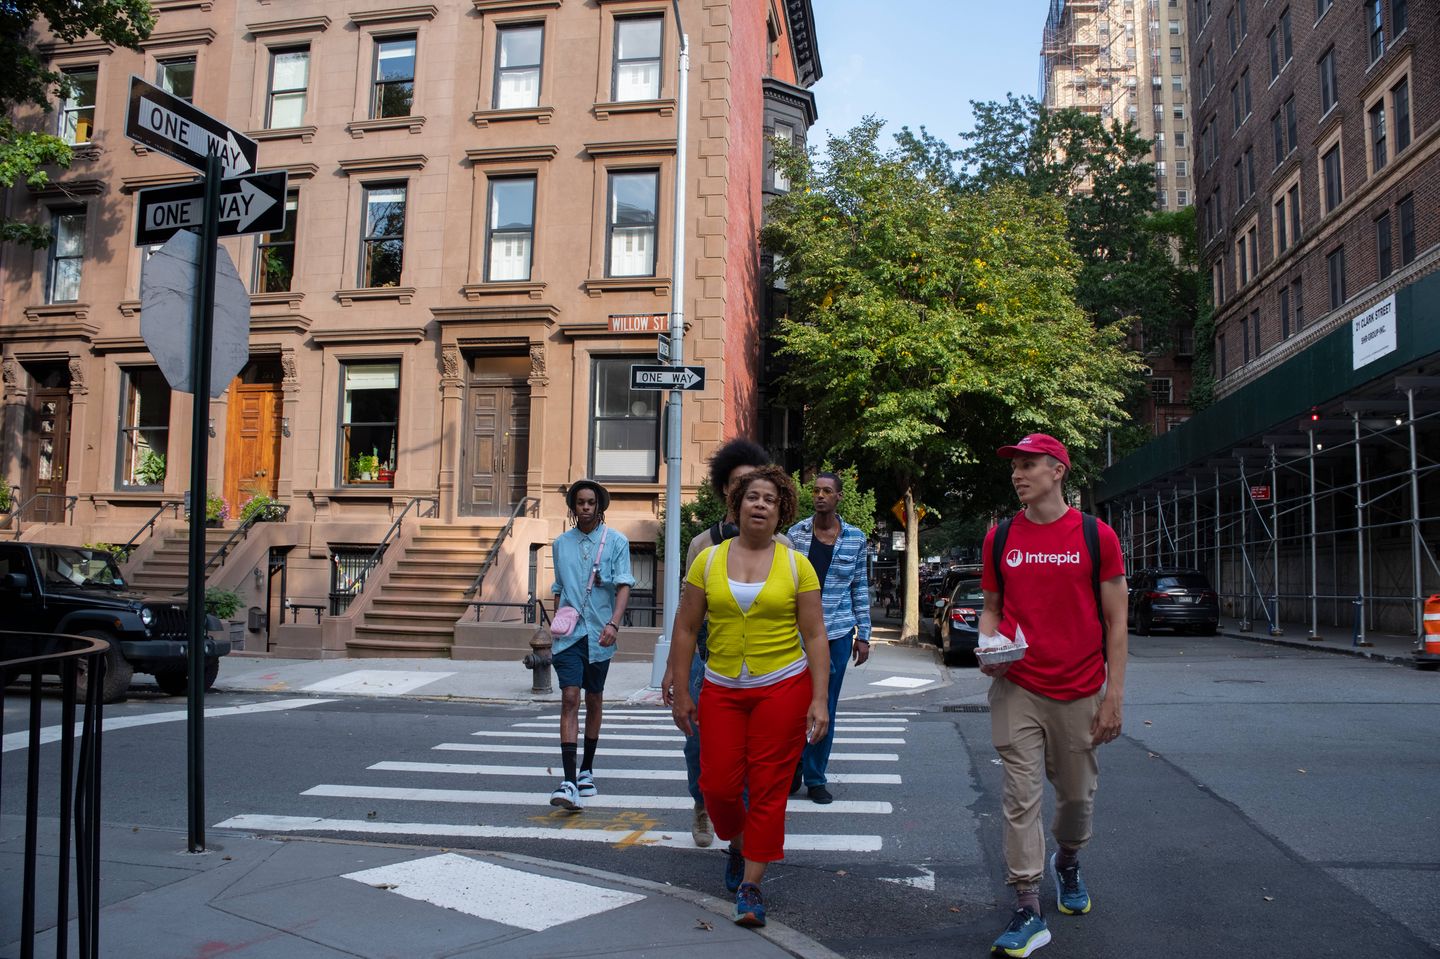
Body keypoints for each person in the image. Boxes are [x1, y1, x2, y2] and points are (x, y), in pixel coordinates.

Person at [978, 434, 1127, 958]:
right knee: (1020, 797)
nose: (1017, 474)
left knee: (1076, 799)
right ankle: (1026, 905)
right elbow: (992, 607)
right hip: (1016, 686)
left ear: (1057, 470)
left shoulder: (1096, 535)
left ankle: (1067, 861)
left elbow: (1117, 621)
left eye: (1028, 465)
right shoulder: (1000, 538)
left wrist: (1114, 696)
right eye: (1014, 466)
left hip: (1081, 688)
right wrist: (988, 641)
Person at [666, 465, 830, 929]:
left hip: (782, 686)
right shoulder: (709, 560)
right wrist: (681, 687)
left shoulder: (797, 564)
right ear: (737, 505)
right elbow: (686, 626)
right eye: (752, 497)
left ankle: (752, 886)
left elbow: (815, 634)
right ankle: (737, 843)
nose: (760, 505)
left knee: (768, 789)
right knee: (716, 786)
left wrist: (819, 699)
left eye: (770, 500)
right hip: (721, 687)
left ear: (781, 513)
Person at [664, 438, 788, 847]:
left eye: (756, 488)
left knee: (754, 756)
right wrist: (675, 673)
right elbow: (686, 619)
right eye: (740, 488)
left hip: (766, 672)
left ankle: (742, 836)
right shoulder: (704, 545)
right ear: (726, 494)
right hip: (708, 661)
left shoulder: (785, 549)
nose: (749, 498)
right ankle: (702, 804)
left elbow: (803, 620)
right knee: (698, 744)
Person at [547, 478, 634, 811]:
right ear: (573, 507)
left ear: (599, 507)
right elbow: (559, 587)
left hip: (600, 632)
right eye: (580, 502)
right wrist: (557, 623)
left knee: (594, 699)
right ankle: (568, 780)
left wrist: (614, 622)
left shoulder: (616, 542)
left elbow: (625, 584)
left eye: (591, 503)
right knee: (570, 697)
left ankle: (586, 770)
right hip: (568, 635)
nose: (585, 507)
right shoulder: (560, 544)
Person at [787, 471, 872, 804]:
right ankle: (792, 765)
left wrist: (863, 634)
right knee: (794, 704)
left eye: (827, 491)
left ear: (838, 497)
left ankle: (816, 777)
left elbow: (860, 587)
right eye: (815, 491)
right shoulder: (795, 535)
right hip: (797, 634)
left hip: (837, 632)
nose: (820, 496)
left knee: (826, 706)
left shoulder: (855, 538)